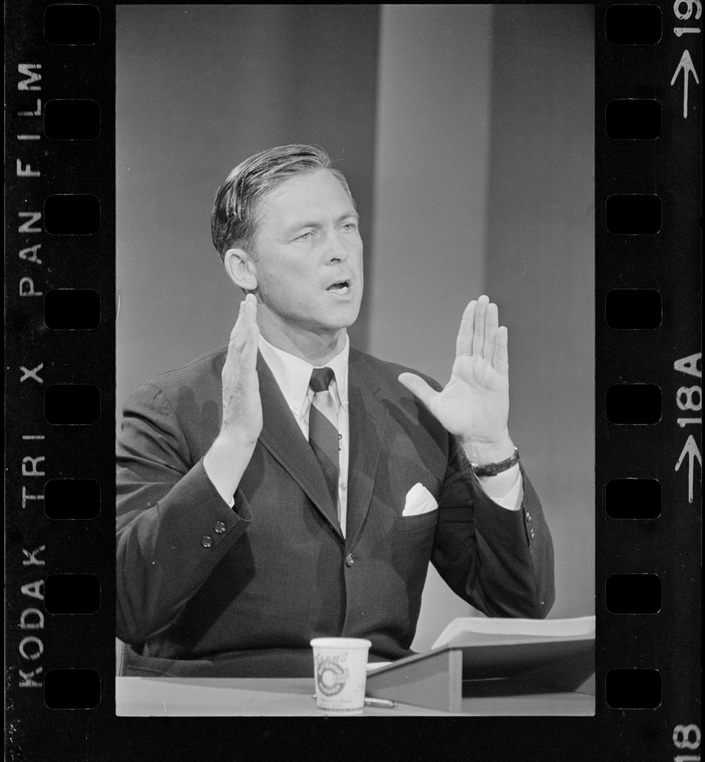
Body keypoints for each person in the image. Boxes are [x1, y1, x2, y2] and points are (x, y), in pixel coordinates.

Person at [116, 144, 555, 677]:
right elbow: (128, 605)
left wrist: (492, 452)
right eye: (307, 235)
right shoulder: (173, 409)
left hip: (379, 711)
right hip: (224, 710)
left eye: (347, 227)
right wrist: (230, 448)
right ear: (244, 267)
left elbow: (520, 605)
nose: (339, 251)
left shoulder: (413, 405)